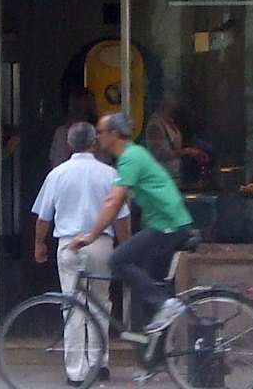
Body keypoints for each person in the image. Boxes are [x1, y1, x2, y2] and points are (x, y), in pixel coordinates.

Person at [71, 112, 194, 333]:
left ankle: (165, 305)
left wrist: (91, 236)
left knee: (118, 260)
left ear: (114, 134)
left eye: (100, 132)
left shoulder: (131, 157)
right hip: (167, 223)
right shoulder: (133, 155)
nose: (97, 137)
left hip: (167, 225)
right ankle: (153, 350)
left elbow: (113, 202)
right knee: (151, 289)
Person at [32, 122, 131, 387]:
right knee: (100, 303)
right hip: (101, 243)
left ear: (68, 144)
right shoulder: (110, 174)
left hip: (69, 244)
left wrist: (39, 244)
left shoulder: (57, 174)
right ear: (94, 143)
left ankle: (76, 371)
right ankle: (100, 363)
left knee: (72, 305)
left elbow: (43, 217)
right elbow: (121, 217)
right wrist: (125, 246)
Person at [145, 91, 208, 188]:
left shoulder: (170, 121)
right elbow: (161, 154)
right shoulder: (155, 125)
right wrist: (188, 151)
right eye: (173, 101)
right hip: (164, 176)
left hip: (176, 175)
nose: (176, 105)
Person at [49, 87, 99, 169]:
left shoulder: (101, 133)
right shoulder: (61, 133)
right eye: (77, 106)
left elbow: (54, 162)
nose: (80, 110)